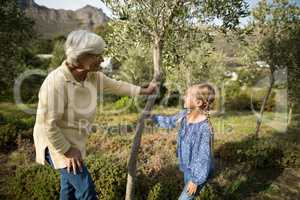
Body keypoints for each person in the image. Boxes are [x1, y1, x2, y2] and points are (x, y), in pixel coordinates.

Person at [33, 30, 157, 200]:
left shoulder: (91, 76)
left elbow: (117, 86)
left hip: (73, 140)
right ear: (82, 58)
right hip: (56, 142)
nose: (103, 59)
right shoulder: (56, 82)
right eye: (98, 56)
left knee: (68, 189)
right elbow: (49, 125)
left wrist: (145, 91)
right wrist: (67, 151)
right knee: (86, 190)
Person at [150, 83, 215, 200]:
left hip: (199, 172)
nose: (184, 97)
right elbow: (169, 121)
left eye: (187, 95)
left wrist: (195, 181)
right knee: (190, 194)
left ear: (198, 103)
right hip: (188, 168)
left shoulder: (204, 128)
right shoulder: (184, 115)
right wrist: (152, 118)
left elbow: (203, 157)